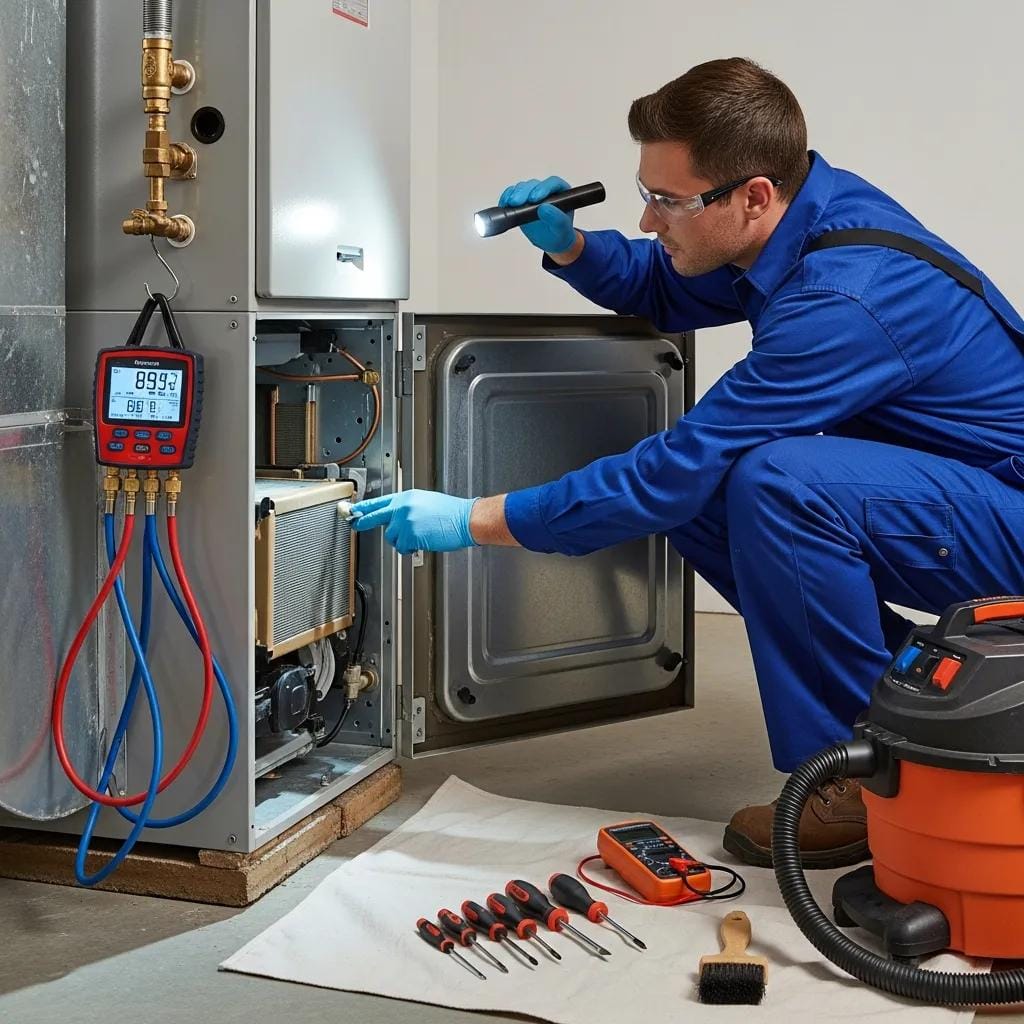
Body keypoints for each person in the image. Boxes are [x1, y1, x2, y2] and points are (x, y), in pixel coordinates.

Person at [352, 57, 1024, 868]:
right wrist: (570, 247)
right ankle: (911, 714)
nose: (645, 220)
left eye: (666, 201)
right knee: (712, 495)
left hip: (1008, 525)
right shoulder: (804, 215)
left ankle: (875, 774)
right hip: (969, 501)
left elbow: (677, 465)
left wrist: (475, 519)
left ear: (753, 196)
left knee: (776, 483)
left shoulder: (845, 297)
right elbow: (675, 285)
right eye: (646, 194)